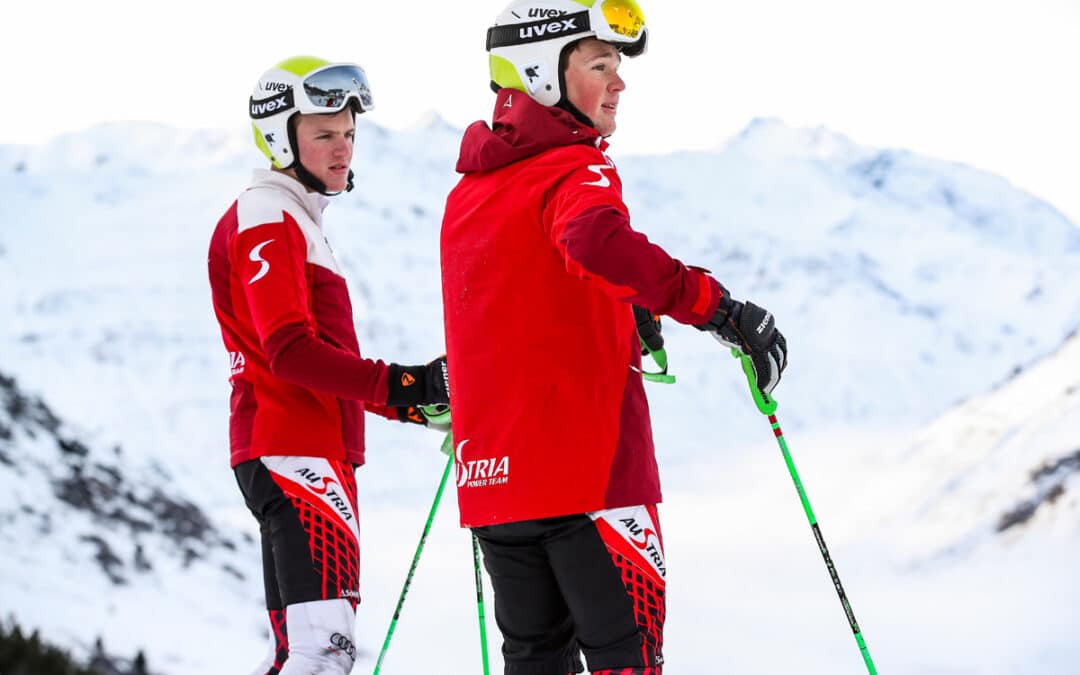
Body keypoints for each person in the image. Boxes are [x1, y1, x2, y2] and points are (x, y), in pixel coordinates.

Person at [440, 2, 788, 674]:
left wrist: (617, 306)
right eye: (600, 63)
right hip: (591, 479)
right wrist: (720, 308)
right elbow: (593, 238)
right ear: (543, 73)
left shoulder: (469, 192)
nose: (619, 82)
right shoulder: (577, 169)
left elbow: (526, 292)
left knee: (535, 663)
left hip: (495, 488)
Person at [208, 55, 449, 675]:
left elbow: (328, 365)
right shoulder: (269, 213)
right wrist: (410, 382)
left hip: (300, 446)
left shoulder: (294, 218)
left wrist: (417, 404)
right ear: (278, 137)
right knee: (321, 655)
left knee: (298, 652)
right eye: (322, 135)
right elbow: (289, 352)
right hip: (295, 448)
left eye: (348, 135)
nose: (342, 150)